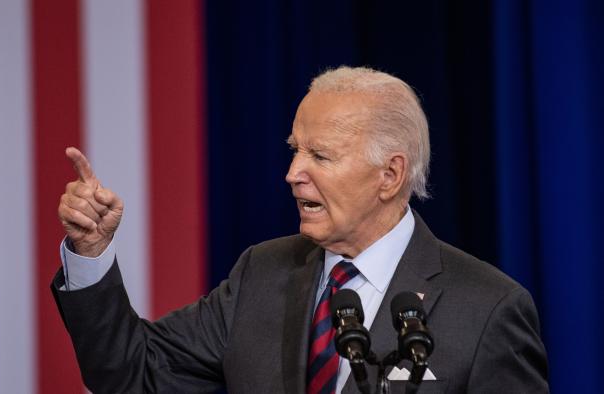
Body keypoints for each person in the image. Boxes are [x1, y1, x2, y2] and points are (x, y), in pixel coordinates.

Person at [52, 67, 549, 393]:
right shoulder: (262, 273)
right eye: (295, 149)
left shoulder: (487, 310)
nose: (293, 172)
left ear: (390, 175)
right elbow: (130, 373)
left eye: (320, 155)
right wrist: (90, 251)